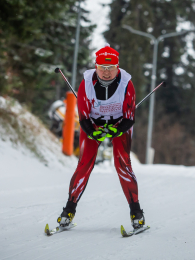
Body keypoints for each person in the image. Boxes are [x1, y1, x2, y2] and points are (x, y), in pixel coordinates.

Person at [57, 43, 145, 230]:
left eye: (110, 68)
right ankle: (69, 210)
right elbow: (83, 117)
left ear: (117, 67)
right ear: (96, 67)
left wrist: (117, 130)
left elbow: (130, 118)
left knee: (122, 163)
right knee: (84, 164)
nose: (106, 72)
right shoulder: (86, 83)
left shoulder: (126, 84)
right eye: (102, 68)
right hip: (93, 124)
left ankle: (136, 212)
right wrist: (92, 131)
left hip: (119, 124)